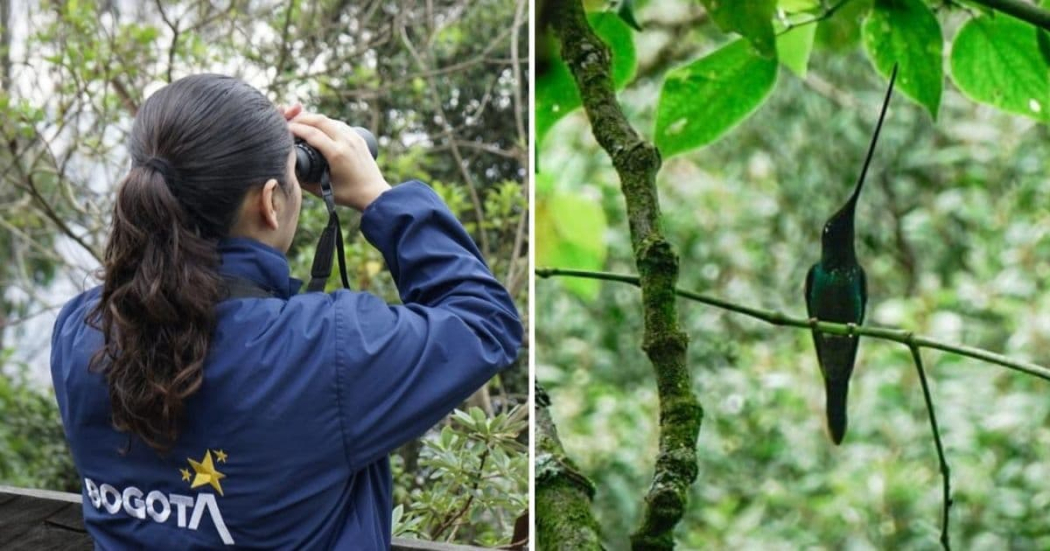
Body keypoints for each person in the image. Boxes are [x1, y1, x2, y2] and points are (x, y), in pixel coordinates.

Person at [49, 74, 523, 549]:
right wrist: (380, 196)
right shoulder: (325, 349)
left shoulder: (79, 330)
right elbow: (485, 321)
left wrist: (243, 147)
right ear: (270, 202)